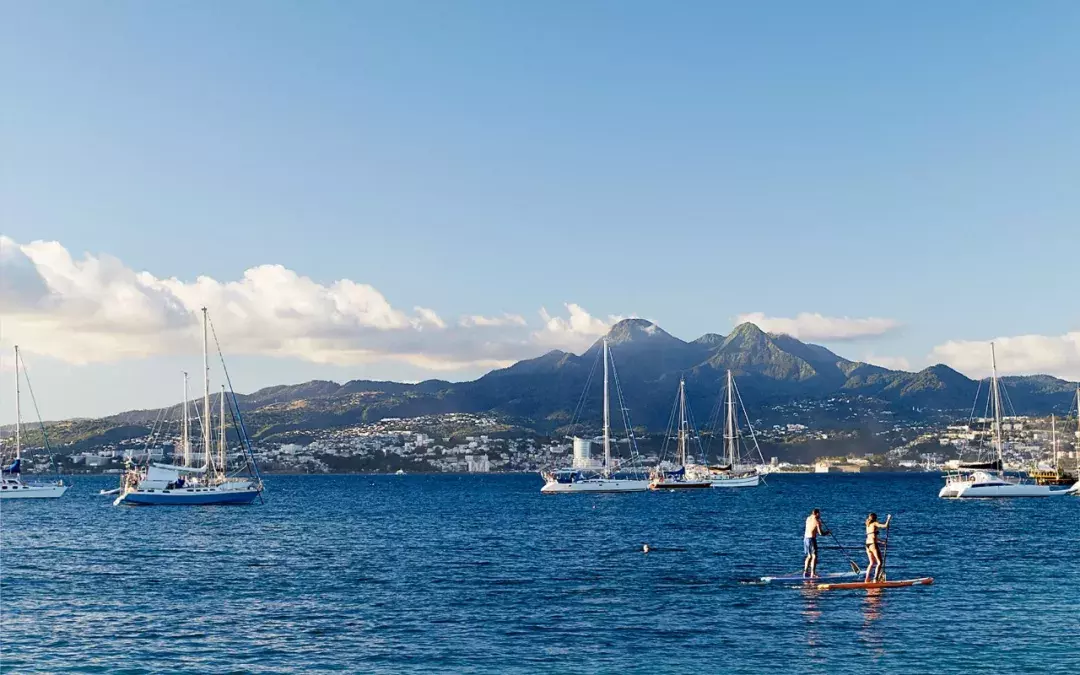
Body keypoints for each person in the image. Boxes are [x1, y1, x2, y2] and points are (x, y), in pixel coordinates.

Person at [864, 512, 891, 582]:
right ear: (875, 518)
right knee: (880, 562)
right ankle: (875, 579)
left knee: (872, 563)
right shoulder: (874, 523)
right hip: (873, 544)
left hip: (867, 545)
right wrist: (888, 519)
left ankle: (867, 579)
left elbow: (872, 536)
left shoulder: (868, 525)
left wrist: (881, 541)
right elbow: (885, 526)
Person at [803, 509, 829, 577]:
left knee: (809, 556)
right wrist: (827, 532)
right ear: (817, 514)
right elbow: (821, 533)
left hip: (805, 539)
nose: (820, 515)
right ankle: (813, 573)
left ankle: (805, 572)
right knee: (814, 556)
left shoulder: (808, 518)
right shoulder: (817, 522)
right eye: (819, 514)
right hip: (811, 539)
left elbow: (811, 527)